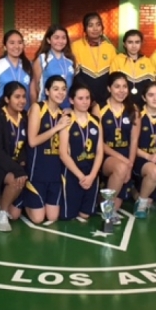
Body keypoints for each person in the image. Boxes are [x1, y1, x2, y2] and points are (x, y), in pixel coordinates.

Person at [25, 75, 70, 224]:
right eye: (56, 89)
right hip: (37, 171)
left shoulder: (63, 114)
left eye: (63, 89)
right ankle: (22, 201)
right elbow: (32, 141)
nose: (60, 93)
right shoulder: (38, 108)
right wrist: (57, 127)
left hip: (55, 172)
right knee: (38, 219)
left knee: (52, 217)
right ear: (47, 91)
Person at [58, 83, 104, 221]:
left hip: (91, 172)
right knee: (68, 216)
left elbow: (100, 151)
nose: (85, 102)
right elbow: (63, 154)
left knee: (85, 214)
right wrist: (81, 177)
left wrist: (92, 176)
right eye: (80, 98)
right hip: (73, 173)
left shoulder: (96, 120)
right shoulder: (66, 121)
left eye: (87, 98)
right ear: (71, 100)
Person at [0, 82, 29, 232]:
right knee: (17, 179)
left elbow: (26, 144)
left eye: (23, 97)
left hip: (16, 164)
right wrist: (17, 169)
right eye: (17, 97)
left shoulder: (24, 116)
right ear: (6, 99)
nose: (22, 101)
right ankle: (2, 213)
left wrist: (22, 161)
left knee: (16, 214)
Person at [99, 72, 138, 215]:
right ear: (109, 88)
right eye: (117, 87)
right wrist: (125, 162)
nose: (121, 91)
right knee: (121, 168)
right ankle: (107, 213)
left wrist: (130, 164)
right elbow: (99, 143)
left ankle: (104, 202)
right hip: (105, 156)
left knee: (117, 204)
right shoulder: (100, 108)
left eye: (124, 87)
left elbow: (134, 140)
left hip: (126, 157)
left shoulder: (133, 109)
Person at [133, 82, 156, 219]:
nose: (155, 98)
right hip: (140, 159)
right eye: (151, 95)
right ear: (144, 98)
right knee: (154, 172)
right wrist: (148, 156)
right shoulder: (138, 115)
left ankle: (138, 193)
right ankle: (141, 203)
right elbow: (131, 145)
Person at [71, 13, 117, 106]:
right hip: (83, 99)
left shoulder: (110, 48)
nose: (95, 29)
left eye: (98, 24)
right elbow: (76, 76)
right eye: (90, 25)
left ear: (102, 27)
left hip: (105, 99)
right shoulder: (76, 46)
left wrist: (106, 97)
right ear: (85, 29)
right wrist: (88, 98)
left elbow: (113, 76)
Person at [0, 30, 33, 114]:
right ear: (5, 46)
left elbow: (33, 93)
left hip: (24, 114)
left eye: (19, 42)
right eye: (12, 43)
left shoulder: (29, 66)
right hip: (2, 115)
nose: (16, 46)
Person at [109, 30, 156, 110]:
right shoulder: (117, 60)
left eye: (137, 42)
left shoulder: (148, 62)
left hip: (144, 106)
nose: (134, 46)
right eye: (130, 42)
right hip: (122, 105)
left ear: (141, 43)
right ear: (124, 44)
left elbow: (151, 87)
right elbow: (113, 85)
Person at [30, 24, 75, 108]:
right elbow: (34, 86)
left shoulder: (70, 60)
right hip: (46, 106)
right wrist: (34, 107)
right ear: (48, 40)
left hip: (66, 107)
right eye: (56, 38)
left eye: (63, 38)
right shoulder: (42, 59)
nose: (60, 41)